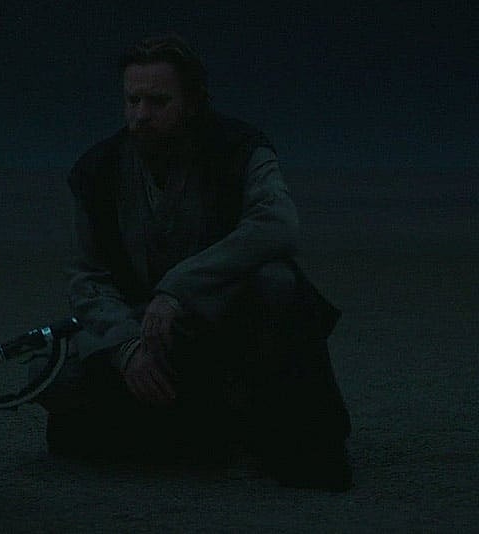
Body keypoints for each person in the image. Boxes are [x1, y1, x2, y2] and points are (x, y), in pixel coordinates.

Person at [33, 34, 354, 491]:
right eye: (133, 101)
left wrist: (179, 288)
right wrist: (126, 347)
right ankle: (208, 431)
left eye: (158, 101)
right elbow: (87, 277)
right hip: (145, 329)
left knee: (276, 282)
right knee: (53, 377)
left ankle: (279, 436)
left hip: (227, 320)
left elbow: (277, 224)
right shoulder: (97, 170)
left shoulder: (238, 149)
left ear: (192, 102)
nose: (141, 115)